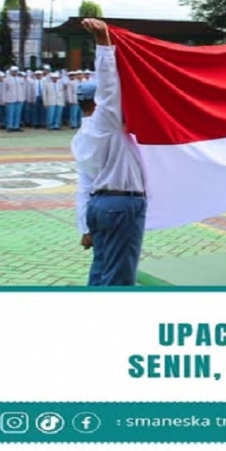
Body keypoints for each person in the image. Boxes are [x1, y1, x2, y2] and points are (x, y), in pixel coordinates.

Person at [71, 18, 147, 286]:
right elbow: (109, 85)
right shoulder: (106, 123)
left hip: (98, 206)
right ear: (97, 103)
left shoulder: (80, 137)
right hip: (121, 204)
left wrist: (84, 227)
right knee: (119, 276)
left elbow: (83, 186)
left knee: (102, 268)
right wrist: (103, 43)